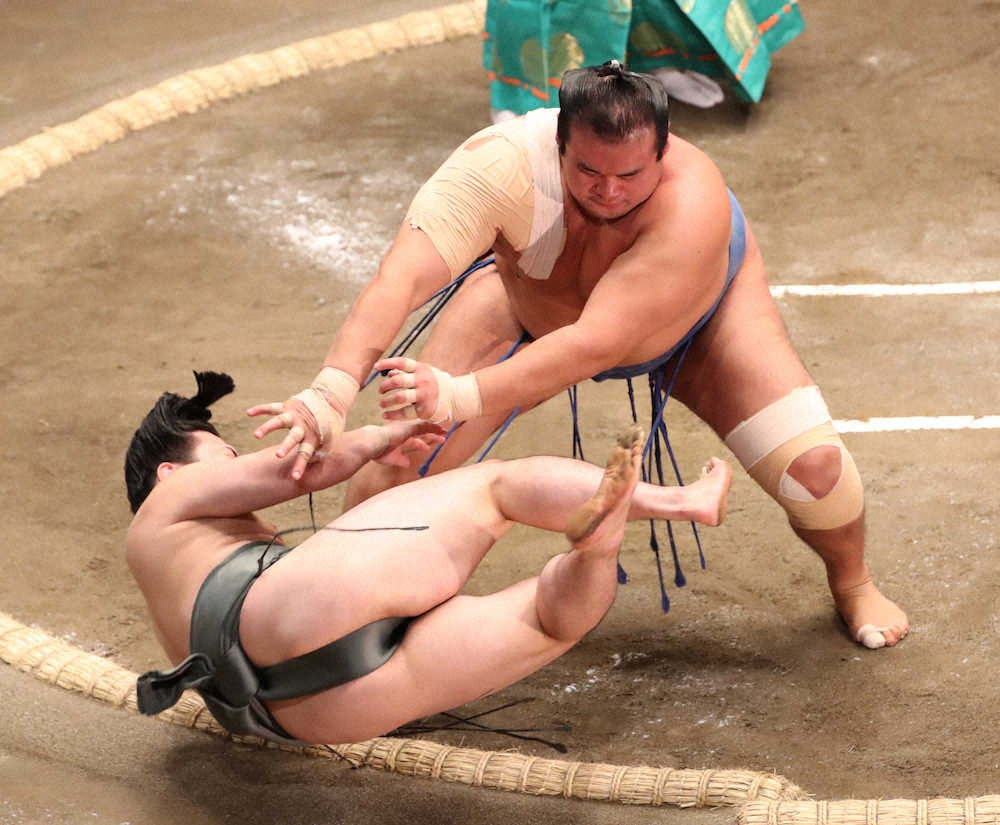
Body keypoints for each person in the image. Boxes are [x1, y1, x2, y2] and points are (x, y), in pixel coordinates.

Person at [247, 62, 908, 650]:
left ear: (663, 153)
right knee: (398, 461)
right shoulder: (499, 167)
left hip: (699, 322)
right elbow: (401, 276)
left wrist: (455, 396)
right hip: (522, 301)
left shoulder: (692, 203)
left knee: (816, 473)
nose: (608, 191)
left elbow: (595, 343)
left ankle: (853, 582)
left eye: (629, 175)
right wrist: (332, 390)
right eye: (587, 171)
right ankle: (342, 622)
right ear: (556, 143)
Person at [126, 371, 732, 746]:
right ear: (171, 471)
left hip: (293, 715)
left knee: (549, 621)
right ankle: (679, 500)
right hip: (270, 610)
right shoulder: (165, 503)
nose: (237, 466)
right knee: (496, 487)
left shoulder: (171, 570)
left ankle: (599, 545)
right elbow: (302, 468)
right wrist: (379, 436)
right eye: (226, 454)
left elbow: (337, 578)